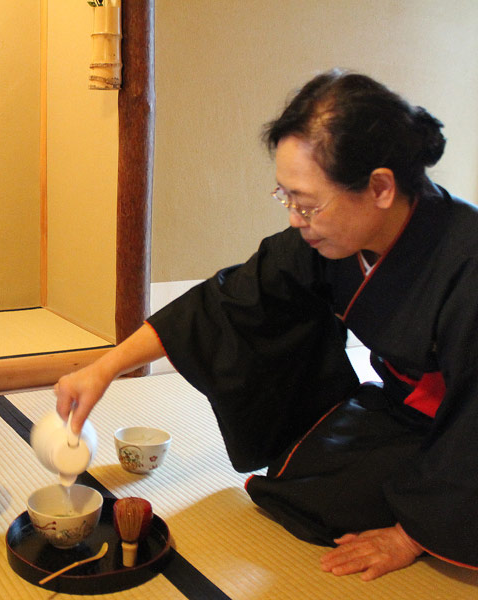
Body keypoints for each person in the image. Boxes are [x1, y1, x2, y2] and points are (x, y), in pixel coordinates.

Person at [55, 69, 478, 581]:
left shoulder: (467, 264)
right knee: (299, 489)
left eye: (308, 202)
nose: (297, 219)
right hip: (415, 415)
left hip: (468, 433)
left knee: (371, 510)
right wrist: (103, 369)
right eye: (287, 198)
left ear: (380, 187)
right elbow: (228, 304)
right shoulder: (332, 239)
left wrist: (410, 534)